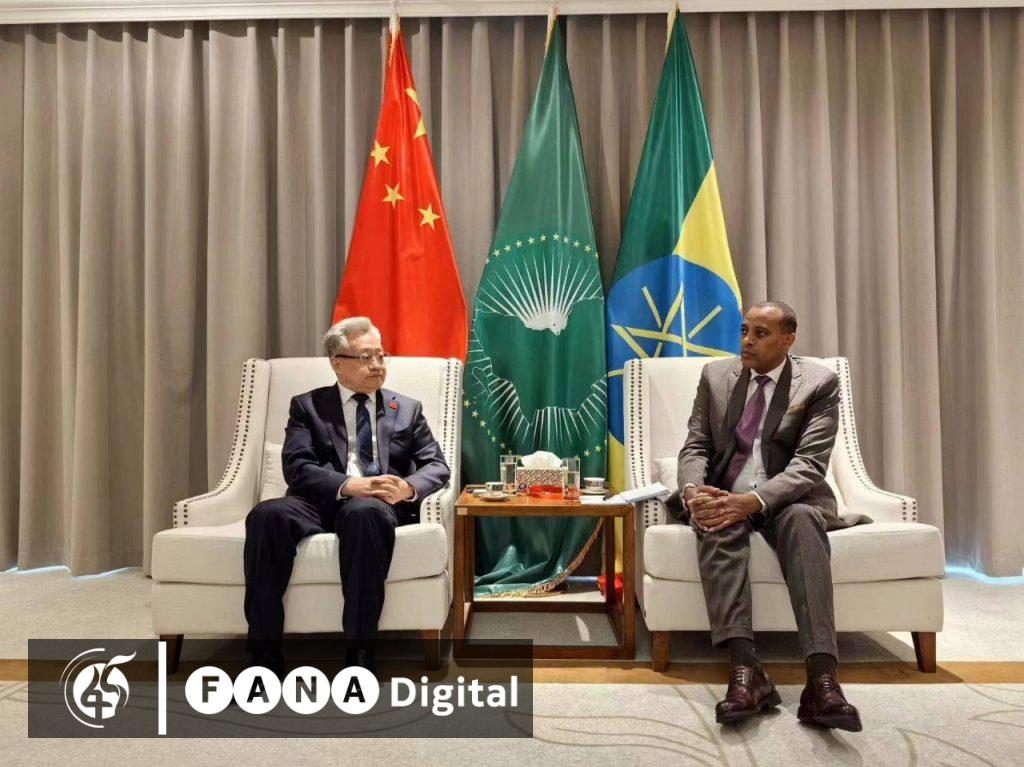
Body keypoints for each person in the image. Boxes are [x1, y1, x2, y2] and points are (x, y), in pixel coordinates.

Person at [670, 300, 866, 732]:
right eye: (744, 330)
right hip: (727, 491)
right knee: (717, 522)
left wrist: (755, 501)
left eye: (760, 333)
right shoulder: (715, 377)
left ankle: (823, 681)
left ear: (788, 339)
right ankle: (746, 671)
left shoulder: (819, 382)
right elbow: (696, 445)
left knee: (802, 521)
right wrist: (693, 491)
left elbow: (809, 465)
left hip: (788, 498)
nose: (747, 341)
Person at [243, 316, 450, 676]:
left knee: (362, 513)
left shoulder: (407, 409)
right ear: (337, 363)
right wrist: (350, 485)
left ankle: (360, 654)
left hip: (374, 507)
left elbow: (436, 465)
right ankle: (263, 655)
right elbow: (297, 467)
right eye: (366, 357)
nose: (377, 365)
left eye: (381, 356)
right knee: (266, 515)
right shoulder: (307, 406)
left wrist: (407, 487)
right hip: (318, 501)